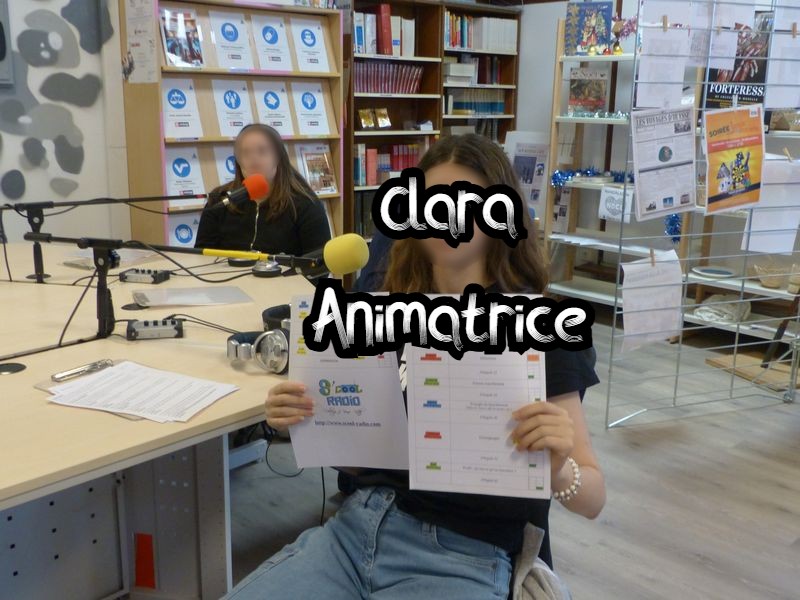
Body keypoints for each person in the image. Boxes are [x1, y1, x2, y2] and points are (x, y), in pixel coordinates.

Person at [226, 135, 605, 600]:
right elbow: (364, 462)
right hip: (355, 530)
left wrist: (560, 469)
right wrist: (309, 423)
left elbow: (593, 499)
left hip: (465, 554)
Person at [195, 124, 331, 256]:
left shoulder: (306, 204)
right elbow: (200, 258)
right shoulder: (219, 201)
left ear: (278, 157)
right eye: (245, 153)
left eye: (262, 151)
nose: (254, 160)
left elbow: (318, 264)